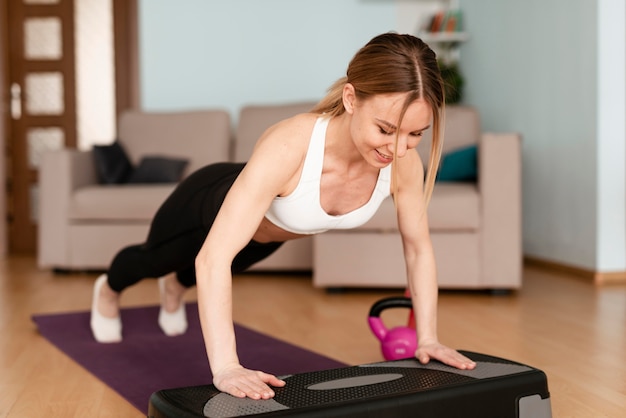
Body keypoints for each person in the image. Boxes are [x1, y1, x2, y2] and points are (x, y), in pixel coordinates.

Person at [90, 32, 477, 400]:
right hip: (205, 204)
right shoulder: (290, 144)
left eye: (415, 134)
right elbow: (214, 256)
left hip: (266, 238)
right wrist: (226, 367)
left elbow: (417, 250)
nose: (399, 148)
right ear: (350, 98)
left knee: (194, 274)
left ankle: (175, 288)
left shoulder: (403, 164)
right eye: (386, 129)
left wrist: (427, 337)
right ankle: (108, 289)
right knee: (152, 259)